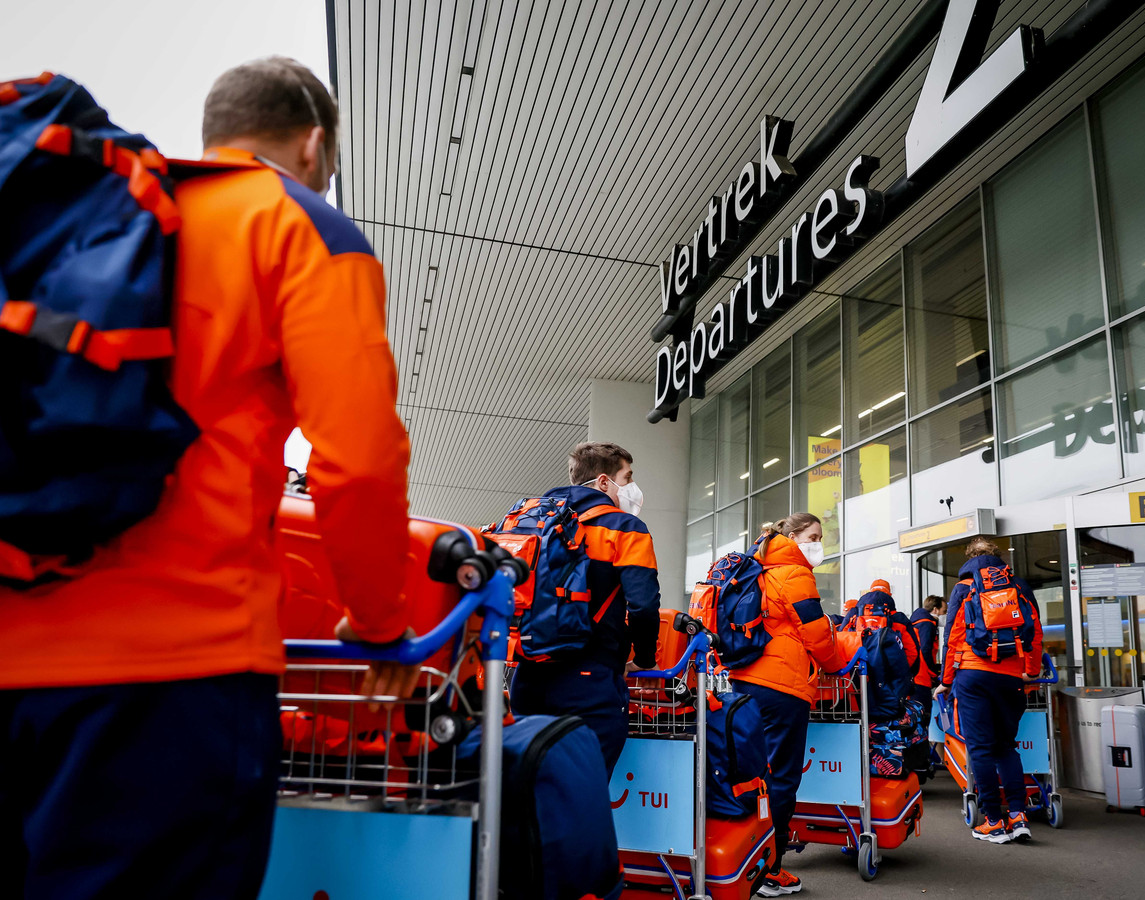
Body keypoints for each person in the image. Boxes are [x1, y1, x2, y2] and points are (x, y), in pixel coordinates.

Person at [0, 58, 415, 897]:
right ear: (313, 144)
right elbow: (359, 459)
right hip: (170, 673)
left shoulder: (95, 217)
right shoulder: (295, 224)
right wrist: (378, 625)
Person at [509, 441, 661, 776]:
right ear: (605, 482)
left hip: (527, 675)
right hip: (589, 678)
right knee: (580, 792)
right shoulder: (624, 527)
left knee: (525, 786)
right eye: (628, 476)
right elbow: (644, 605)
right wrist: (646, 660)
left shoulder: (531, 520)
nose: (633, 486)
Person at [732, 512, 848, 898]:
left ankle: (741, 861)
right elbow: (815, 633)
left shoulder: (755, 566)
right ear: (793, 536)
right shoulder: (794, 572)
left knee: (751, 774)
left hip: (744, 680)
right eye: (814, 536)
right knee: (782, 778)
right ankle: (770, 870)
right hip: (783, 686)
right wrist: (835, 662)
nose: (819, 544)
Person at [937, 537, 1042, 844]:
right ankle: (1019, 816)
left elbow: (953, 636)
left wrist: (946, 679)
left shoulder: (964, 588)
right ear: (998, 558)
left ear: (969, 559)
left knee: (980, 748)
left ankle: (994, 822)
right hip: (1012, 677)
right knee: (1006, 746)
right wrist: (1030, 672)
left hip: (974, 674)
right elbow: (1034, 632)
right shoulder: (1019, 586)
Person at [908, 594, 946, 777]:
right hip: (922, 679)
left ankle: (919, 764)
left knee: (913, 723)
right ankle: (921, 765)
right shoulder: (928, 624)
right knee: (923, 723)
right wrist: (935, 674)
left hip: (911, 680)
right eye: (944, 611)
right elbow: (925, 651)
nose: (944, 616)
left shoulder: (913, 622)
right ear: (936, 609)